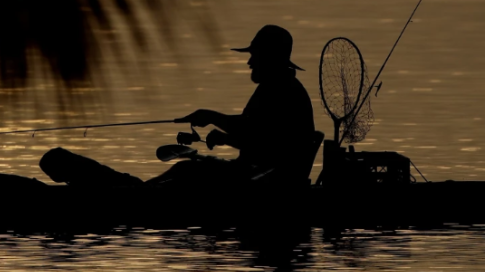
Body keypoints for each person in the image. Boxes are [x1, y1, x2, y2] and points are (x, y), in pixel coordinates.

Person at [39, 24, 323, 188]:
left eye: (255, 56)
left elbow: (262, 137)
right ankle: (132, 191)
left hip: (261, 184)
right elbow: (262, 134)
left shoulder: (282, 91)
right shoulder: (278, 88)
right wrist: (222, 131)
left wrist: (215, 122)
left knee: (184, 174)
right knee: (182, 172)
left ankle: (128, 195)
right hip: (256, 177)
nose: (249, 62)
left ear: (270, 59)